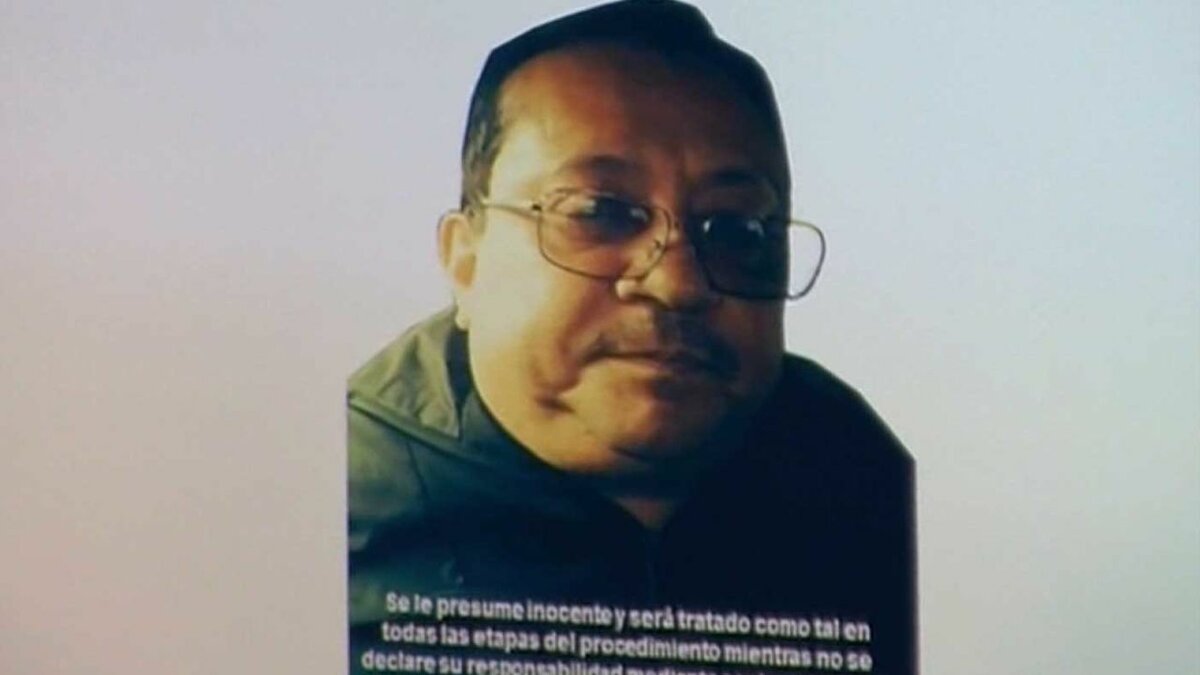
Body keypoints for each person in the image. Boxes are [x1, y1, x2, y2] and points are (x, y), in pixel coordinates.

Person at [348, 1, 915, 673]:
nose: (678, 283)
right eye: (598, 211)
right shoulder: (327, 507)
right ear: (465, 261)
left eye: (738, 230)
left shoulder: (864, 477)